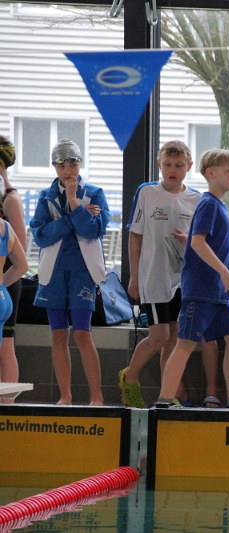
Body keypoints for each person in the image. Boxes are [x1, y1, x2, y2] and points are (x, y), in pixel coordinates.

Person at [119, 141, 220, 409]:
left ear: (189, 167)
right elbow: (135, 235)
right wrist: (133, 276)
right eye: (167, 165)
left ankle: (168, 395)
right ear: (159, 164)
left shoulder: (197, 200)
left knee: (173, 339)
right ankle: (129, 377)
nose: (172, 170)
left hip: (183, 280)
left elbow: (201, 242)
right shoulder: (147, 192)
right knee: (159, 336)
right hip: (154, 278)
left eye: (178, 165)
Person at [156, 149, 229, 409]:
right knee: (185, 343)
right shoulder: (208, 204)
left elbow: (197, 242)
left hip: (218, 293)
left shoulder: (218, 206)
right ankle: (164, 400)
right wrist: (224, 272)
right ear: (211, 173)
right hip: (202, 290)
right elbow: (198, 242)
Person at [30, 139, 109, 405]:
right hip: (53, 272)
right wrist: (75, 217)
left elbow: (93, 231)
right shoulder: (46, 196)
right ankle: (65, 396)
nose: (68, 170)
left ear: (80, 164)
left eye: (73, 164)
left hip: (82, 272)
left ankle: (96, 397)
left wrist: (74, 202)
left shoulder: (94, 194)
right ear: (54, 167)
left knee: (82, 334)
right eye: (62, 165)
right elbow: (41, 235)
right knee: (58, 334)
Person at [0, 135, 26, 404]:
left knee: (6, 347)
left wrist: (1, 286)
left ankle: (8, 408)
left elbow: (21, 251)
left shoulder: (11, 199)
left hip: (8, 280)